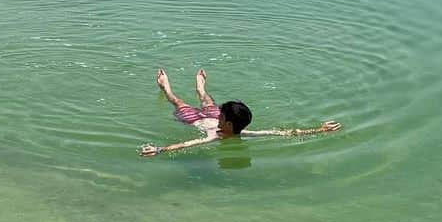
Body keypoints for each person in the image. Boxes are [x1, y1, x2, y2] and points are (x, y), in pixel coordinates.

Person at [139, 68, 342, 156]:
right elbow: (285, 133)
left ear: (227, 124)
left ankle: (166, 88)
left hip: (195, 121)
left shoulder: (214, 138)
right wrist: (320, 129)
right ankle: (200, 88)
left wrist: (158, 150)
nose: (219, 114)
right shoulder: (234, 126)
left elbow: (185, 144)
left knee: (178, 102)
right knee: (208, 100)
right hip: (206, 117)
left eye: (222, 115)